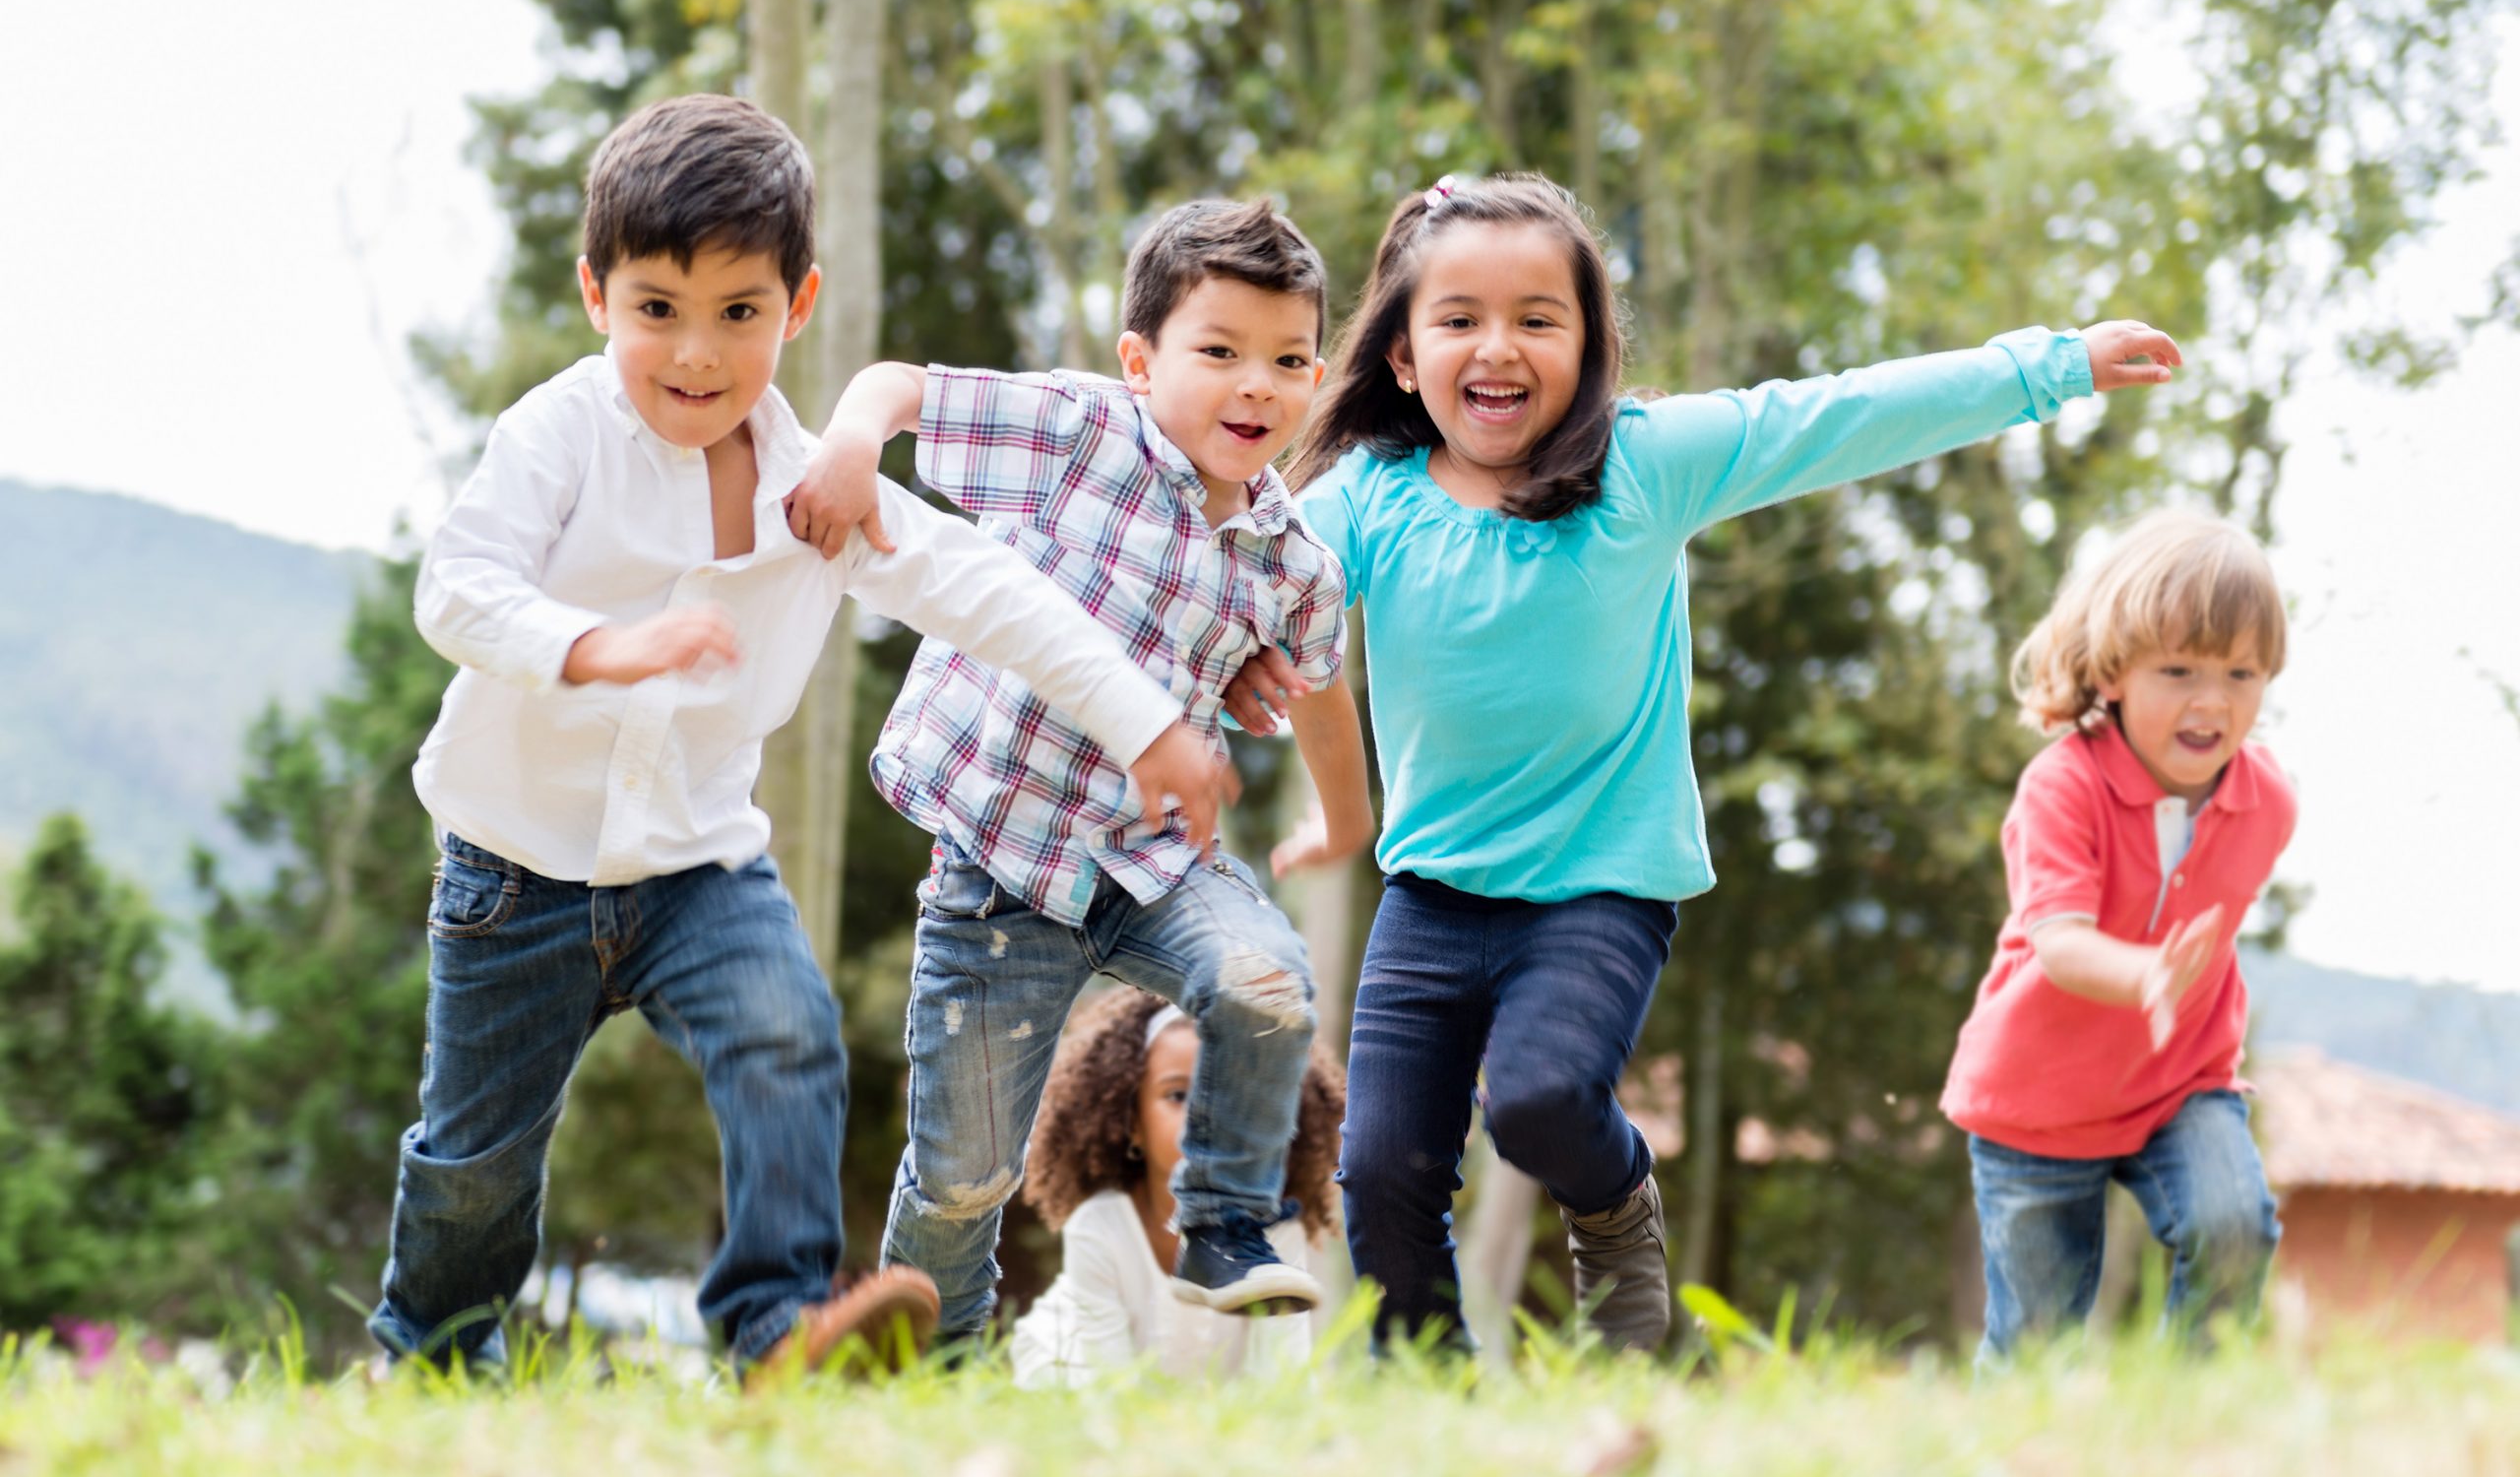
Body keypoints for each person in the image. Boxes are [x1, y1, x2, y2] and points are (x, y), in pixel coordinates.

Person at [1235, 169, 2181, 1352]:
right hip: (1430, 895)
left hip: (1599, 887)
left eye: (1539, 317)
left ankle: (1617, 1199)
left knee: (1537, 1100)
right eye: (1460, 318)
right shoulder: (1364, 501)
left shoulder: (1645, 464)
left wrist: (2053, 363)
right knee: (1380, 1172)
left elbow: (1841, 412)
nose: (1500, 347)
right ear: (1403, 356)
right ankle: (1436, 1394)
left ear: (1591, 346)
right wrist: (1218, 682)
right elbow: (1246, 587)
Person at [370, 95, 1226, 1383]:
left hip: (697, 868)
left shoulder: (815, 493)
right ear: (596, 294)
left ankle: (775, 1332)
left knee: (789, 1033)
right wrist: (599, 647)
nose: (696, 353)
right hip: (514, 870)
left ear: (799, 303)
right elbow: (460, 587)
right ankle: (426, 1354)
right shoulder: (560, 433)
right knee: (476, 1158)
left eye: (738, 313)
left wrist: (1147, 722)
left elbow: (994, 595)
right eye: (657, 308)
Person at [781, 197, 1374, 1347]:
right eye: (1219, 352)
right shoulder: (1077, 432)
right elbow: (901, 385)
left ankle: (1221, 1218)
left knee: (1267, 981)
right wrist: (851, 446)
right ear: (1140, 359)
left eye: (1289, 360)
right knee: (964, 1173)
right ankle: (924, 1364)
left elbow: (1322, 695)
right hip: (1001, 872)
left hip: (1154, 863)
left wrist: (1343, 820)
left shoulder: (1291, 559)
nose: (1256, 385)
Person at [1942, 510, 2293, 1359]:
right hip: (2038, 1101)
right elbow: (2059, 942)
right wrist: (2144, 974)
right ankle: (2016, 1473)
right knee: (2035, 1338)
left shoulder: (2267, 801)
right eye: (2179, 669)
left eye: (2241, 672)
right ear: (2115, 672)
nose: (2213, 700)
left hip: (2181, 1080)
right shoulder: (2062, 788)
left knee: (2235, 1226)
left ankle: (2189, 1412)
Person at [1009, 991, 1346, 1387]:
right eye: (1178, 1095)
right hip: (1076, 1371)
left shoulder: (1275, 1231)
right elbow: (1108, 1387)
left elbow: (1281, 1381)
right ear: (1133, 1121)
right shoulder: (1100, 1225)